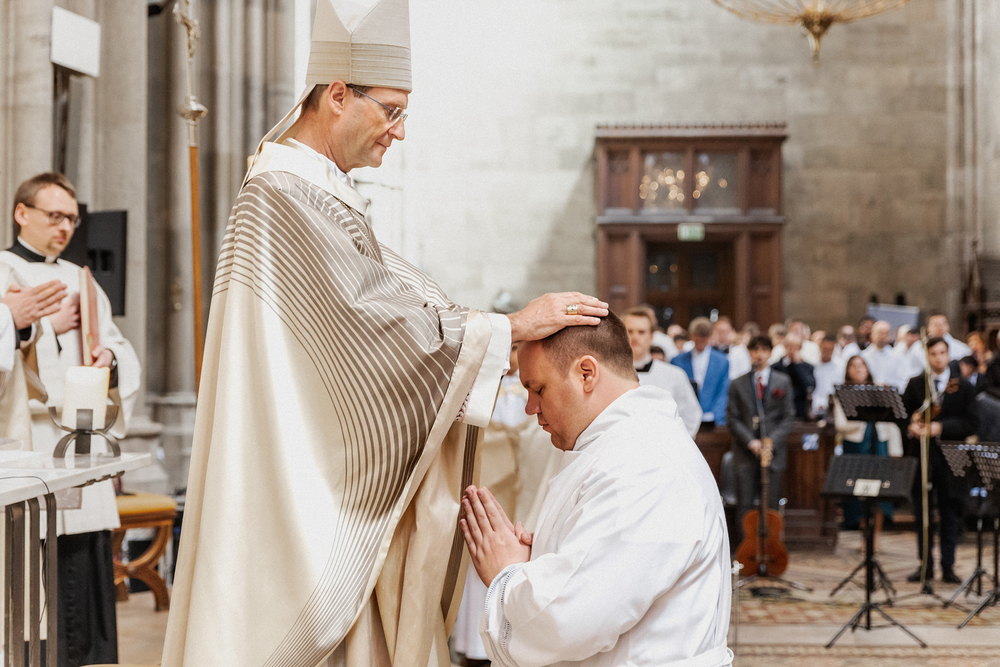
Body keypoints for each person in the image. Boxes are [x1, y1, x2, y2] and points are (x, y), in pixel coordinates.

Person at [162, 3, 609, 665]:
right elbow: (374, 334)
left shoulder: (321, 194)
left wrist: (493, 331)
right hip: (301, 486)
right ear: (338, 94)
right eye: (392, 111)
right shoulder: (282, 195)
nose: (399, 132)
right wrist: (510, 327)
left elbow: (387, 311)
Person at [460, 314, 733, 667]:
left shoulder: (643, 462)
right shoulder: (623, 443)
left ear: (586, 374)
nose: (530, 407)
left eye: (538, 389)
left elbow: (569, 622)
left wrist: (507, 572)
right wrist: (541, 560)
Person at [2, 172, 141, 666]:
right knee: (34, 576)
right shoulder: (2, 270)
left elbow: (115, 341)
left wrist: (110, 360)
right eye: (54, 216)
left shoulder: (83, 279)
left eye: (71, 219)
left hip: (83, 440)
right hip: (33, 438)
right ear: (22, 213)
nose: (64, 227)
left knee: (84, 563)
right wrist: (40, 330)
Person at [901, 337, 977, 584]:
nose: (938, 358)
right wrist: (911, 426)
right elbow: (903, 416)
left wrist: (940, 427)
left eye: (942, 353)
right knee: (922, 512)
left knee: (949, 512)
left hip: (951, 458)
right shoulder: (915, 384)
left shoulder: (962, 386)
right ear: (927, 356)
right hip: (923, 456)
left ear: (948, 354)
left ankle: (948, 565)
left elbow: (970, 423)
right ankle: (925, 564)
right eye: (933, 354)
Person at [726, 335, 796, 543]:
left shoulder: (783, 381)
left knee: (771, 502)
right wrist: (751, 442)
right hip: (745, 452)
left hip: (773, 452)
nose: (759, 354)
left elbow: (788, 417)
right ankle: (746, 549)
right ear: (749, 353)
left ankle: (770, 546)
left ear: (770, 353)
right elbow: (732, 418)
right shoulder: (737, 384)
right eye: (755, 350)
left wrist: (770, 441)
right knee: (745, 504)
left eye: (764, 350)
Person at [832, 356, 895, 544]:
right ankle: (864, 536)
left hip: (878, 442)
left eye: (861, 366)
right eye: (853, 366)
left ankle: (876, 537)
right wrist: (863, 418)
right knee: (858, 490)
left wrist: (894, 449)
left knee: (880, 489)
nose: (858, 369)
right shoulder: (843, 393)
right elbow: (840, 424)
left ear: (867, 369)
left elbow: (890, 423)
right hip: (856, 445)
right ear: (848, 371)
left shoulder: (879, 391)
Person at [622, 307, 701, 437]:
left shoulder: (674, 375)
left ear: (651, 337)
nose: (635, 337)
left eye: (641, 332)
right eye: (629, 331)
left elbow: (691, 416)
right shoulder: (608, 376)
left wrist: (673, 443)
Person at [672, 317, 730, 427]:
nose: (701, 342)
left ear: (710, 336)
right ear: (691, 336)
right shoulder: (678, 361)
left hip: (712, 421)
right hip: (684, 420)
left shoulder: (722, 362)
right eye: (697, 339)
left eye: (704, 339)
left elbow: (723, 392)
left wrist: (715, 415)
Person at [770, 332, 815, 419]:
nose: (792, 350)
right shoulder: (775, 367)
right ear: (785, 346)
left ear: (800, 348)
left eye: (796, 347)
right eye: (789, 346)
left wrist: (798, 365)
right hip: (779, 410)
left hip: (799, 410)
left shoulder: (807, 367)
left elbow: (809, 386)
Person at [862, 320, 906, 391]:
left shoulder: (897, 356)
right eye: (880, 333)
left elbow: (902, 380)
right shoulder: (863, 356)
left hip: (889, 393)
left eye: (886, 333)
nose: (883, 336)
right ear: (872, 334)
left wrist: (890, 386)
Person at [811, 335, 843, 418]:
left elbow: (838, 390)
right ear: (820, 347)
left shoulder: (840, 367)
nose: (827, 352)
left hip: (833, 407)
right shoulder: (812, 365)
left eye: (830, 350)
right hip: (814, 407)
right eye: (825, 349)